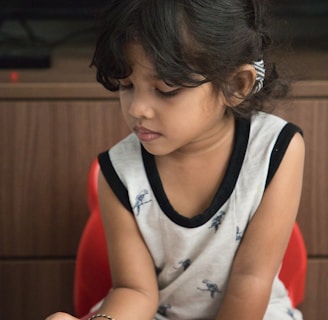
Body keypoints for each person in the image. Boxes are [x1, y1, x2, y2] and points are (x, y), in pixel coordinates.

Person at [47, 0, 305, 319]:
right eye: (127, 86)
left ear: (236, 85)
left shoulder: (275, 150)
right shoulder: (118, 172)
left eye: (166, 90)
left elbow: (251, 280)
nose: (136, 109)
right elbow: (135, 290)